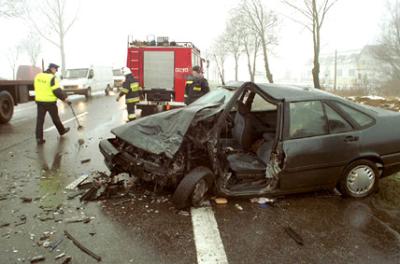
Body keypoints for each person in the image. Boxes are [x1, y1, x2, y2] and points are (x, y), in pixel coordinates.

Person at [34, 63, 70, 145]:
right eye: (56, 69)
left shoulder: (38, 76)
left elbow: (37, 87)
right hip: (50, 102)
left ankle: (39, 138)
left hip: (40, 102)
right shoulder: (52, 78)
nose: (56, 71)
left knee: (40, 120)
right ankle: (62, 131)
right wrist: (65, 98)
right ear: (52, 68)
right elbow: (56, 90)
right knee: (55, 119)